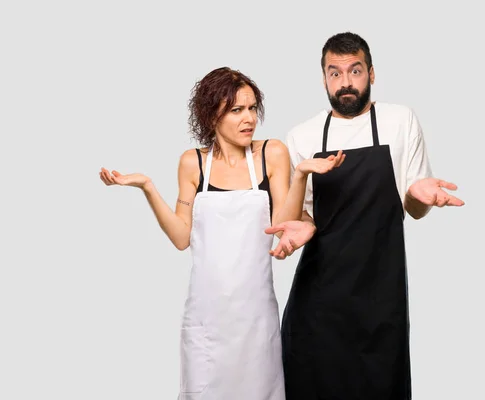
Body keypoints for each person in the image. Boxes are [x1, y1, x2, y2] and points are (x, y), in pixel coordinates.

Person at [99, 66, 344, 400]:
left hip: (255, 320)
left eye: (252, 108)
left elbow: (281, 225)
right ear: (211, 114)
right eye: (236, 110)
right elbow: (181, 237)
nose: (249, 119)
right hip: (206, 320)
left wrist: (300, 175)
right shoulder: (192, 163)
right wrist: (147, 187)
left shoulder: (271, 154)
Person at [266, 32, 465, 399]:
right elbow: (305, 217)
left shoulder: (399, 121)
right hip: (319, 304)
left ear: (371, 74)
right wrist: (301, 229)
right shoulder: (303, 135)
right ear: (324, 78)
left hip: (381, 302)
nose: (345, 82)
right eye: (335, 73)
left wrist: (418, 195)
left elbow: (414, 210)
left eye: (355, 71)